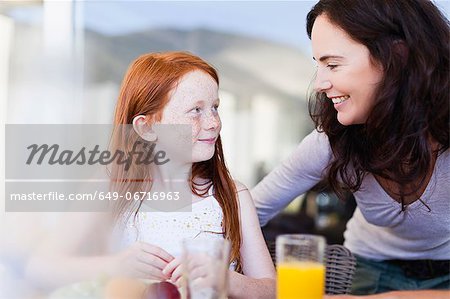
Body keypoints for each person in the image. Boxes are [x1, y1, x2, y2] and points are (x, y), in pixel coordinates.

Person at [26, 52, 275, 299]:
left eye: (215, 107)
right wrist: (115, 266)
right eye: (196, 110)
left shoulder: (232, 195)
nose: (213, 123)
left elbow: (274, 290)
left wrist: (230, 281)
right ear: (146, 127)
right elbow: (39, 268)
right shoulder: (108, 188)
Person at [251, 0, 449, 295]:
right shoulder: (332, 142)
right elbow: (249, 211)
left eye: (332, 64)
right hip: (368, 267)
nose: (319, 83)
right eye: (317, 65)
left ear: (396, 56)